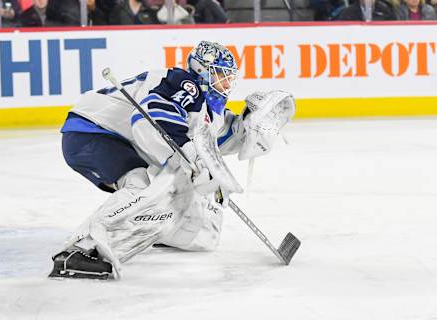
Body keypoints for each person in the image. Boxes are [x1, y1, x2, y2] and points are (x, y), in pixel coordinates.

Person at [49, 41, 295, 280]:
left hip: (106, 135)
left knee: (187, 197)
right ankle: (79, 250)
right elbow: (153, 115)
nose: (227, 82)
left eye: (230, 76)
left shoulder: (203, 108)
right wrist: (193, 158)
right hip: (93, 130)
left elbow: (212, 138)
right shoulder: (184, 83)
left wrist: (249, 126)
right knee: (141, 184)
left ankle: (162, 230)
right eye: (222, 75)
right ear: (203, 70)